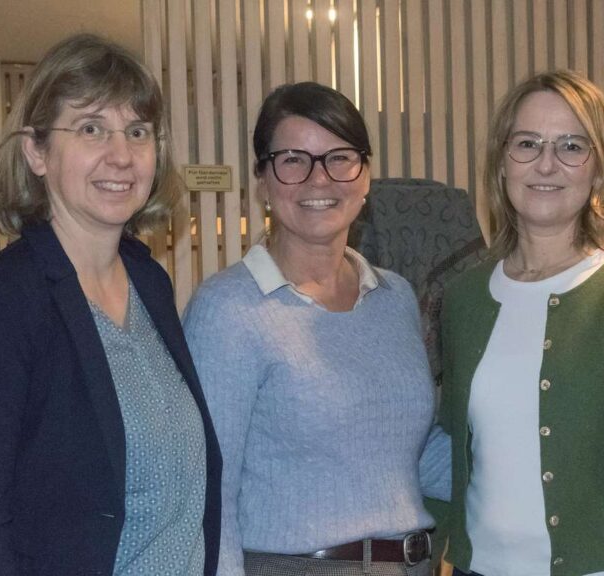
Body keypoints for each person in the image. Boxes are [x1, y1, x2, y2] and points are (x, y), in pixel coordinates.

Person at [0, 34, 222, 576]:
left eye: (137, 131)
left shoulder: (151, 283)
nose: (121, 155)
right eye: (91, 128)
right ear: (36, 152)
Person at [182, 81, 450, 576]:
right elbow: (207, 490)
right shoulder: (228, 309)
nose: (319, 179)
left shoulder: (394, 297)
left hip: (410, 565)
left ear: (365, 176)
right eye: (293, 160)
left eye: (339, 158)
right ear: (263, 180)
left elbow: (410, 450)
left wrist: (538, 464)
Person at [439, 69, 604, 576]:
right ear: (501, 163)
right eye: (527, 143)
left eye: (572, 146)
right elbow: (451, 451)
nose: (547, 163)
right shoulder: (463, 298)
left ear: (599, 169)